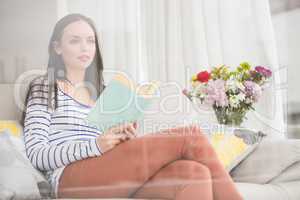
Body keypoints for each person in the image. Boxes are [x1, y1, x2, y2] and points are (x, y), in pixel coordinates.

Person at [22, 13, 242, 200]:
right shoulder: (45, 87)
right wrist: (96, 145)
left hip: (107, 167)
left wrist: (122, 138)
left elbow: (108, 149)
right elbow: (37, 154)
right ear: (57, 47)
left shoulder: (103, 92)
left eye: (90, 40)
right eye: (74, 41)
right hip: (68, 178)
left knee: (194, 172)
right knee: (189, 136)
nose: (85, 47)